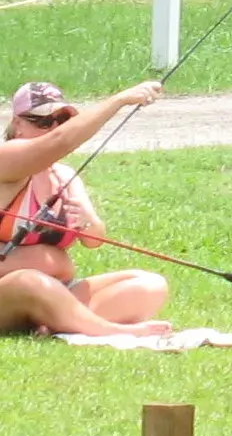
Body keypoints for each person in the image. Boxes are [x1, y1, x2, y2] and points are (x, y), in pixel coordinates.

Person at [0, 79, 173, 337]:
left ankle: (56, 322)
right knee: (31, 281)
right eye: (43, 121)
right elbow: (59, 141)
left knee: (150, 285)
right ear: (18, 124)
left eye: (62, 120)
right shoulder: (5, 161)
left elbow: (94, 240)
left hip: (58, 290)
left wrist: (87, 222)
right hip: (14, 291)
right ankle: (110, 330)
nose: (54, 128)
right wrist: (119, 100)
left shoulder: (64, 175)